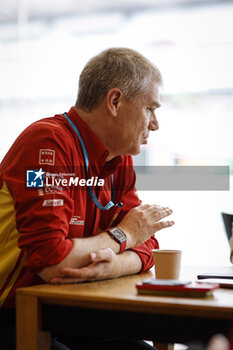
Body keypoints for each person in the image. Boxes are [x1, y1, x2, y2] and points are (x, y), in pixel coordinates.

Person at [0, 47, 174, 349]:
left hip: (66, 310)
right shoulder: (47, 142)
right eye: (150, 109)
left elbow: (149, 243)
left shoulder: (119, 159)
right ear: (115, 101)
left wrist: (113, 265)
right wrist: (124, 234)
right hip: (10, 314)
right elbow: (52, 262)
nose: (155, 124)